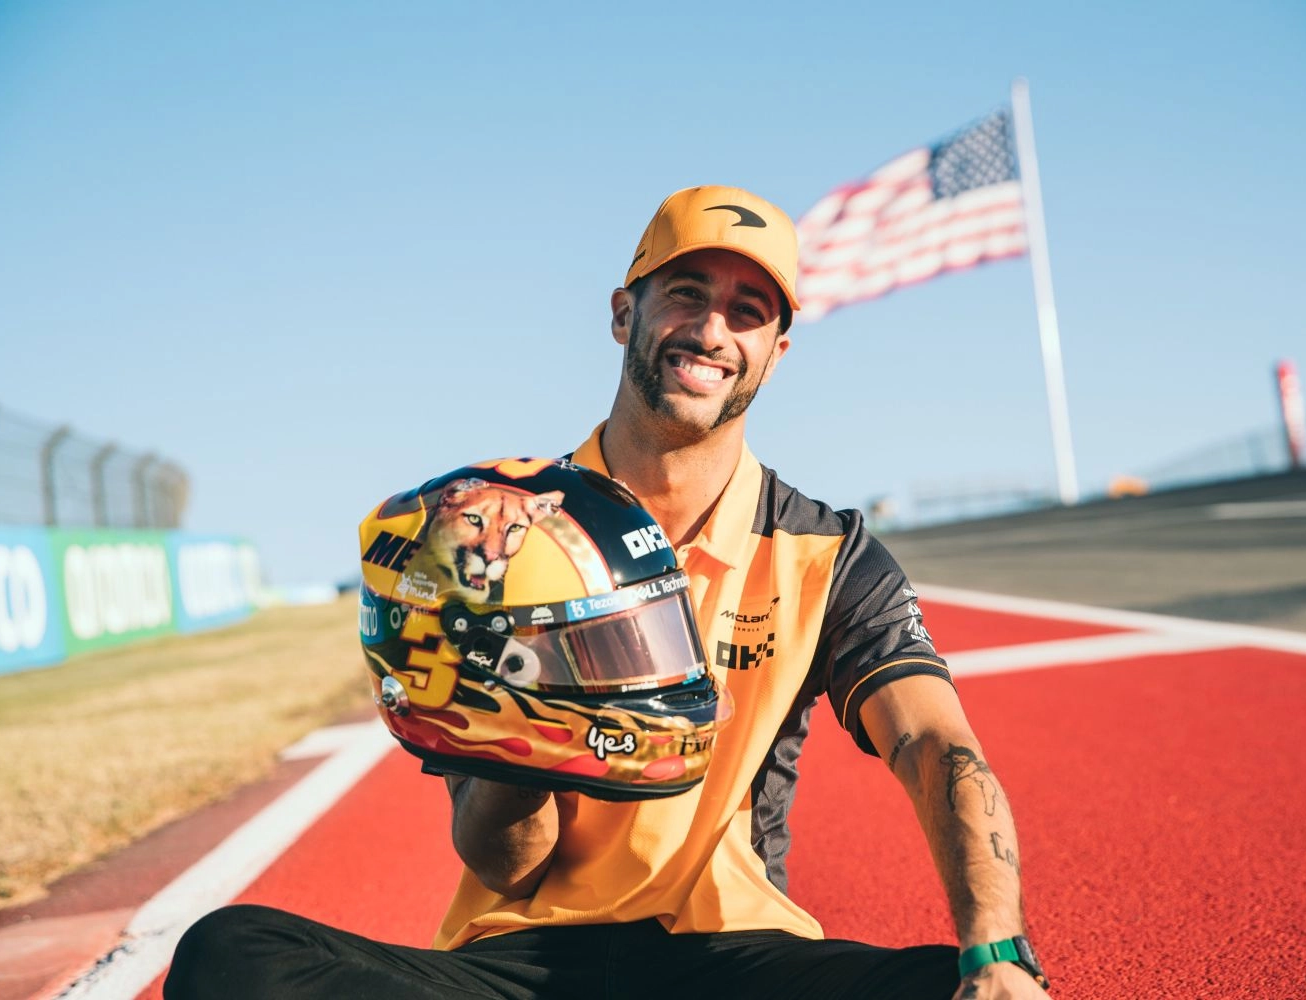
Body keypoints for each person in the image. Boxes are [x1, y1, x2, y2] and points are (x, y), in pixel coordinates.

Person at [166, 186, 1050, 999]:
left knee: (976, 988)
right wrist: (526, 714)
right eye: (686, 294)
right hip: (525, 961)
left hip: (731, 955)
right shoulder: (502, 527)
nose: (711, 330)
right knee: (230, 956)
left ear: (775, 355)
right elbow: (504, 862)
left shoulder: (825, 552)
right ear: (624, 312)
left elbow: (935, 742)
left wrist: (995, 949)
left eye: (747, 312)